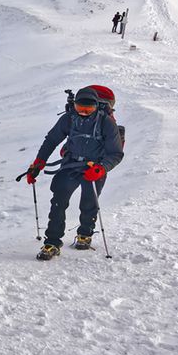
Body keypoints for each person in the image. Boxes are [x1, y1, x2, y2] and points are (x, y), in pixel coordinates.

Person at [24, 87, 124, 260]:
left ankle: (85, 233)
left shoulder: (106, 122)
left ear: (96, 106)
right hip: (71, 164)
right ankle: (52, 242)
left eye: (89, 109)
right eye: (80, 108)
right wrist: (38, 163)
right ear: (74, 106)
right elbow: (51, 140)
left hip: (95, 167)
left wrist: (102, 168)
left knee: (89, 199)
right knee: (59, 199)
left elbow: (115, 153)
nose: (84, 113)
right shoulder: (69, 119)